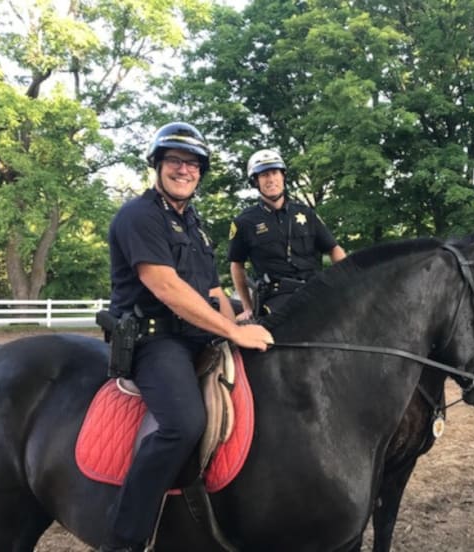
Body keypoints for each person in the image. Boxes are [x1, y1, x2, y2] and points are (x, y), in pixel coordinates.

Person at [100, 122, 274, 552]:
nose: (185, 170)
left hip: (199, 337)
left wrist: (241, 324)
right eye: (175, 161)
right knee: (183, 423)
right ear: (158, 165)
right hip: (155, 341)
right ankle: (125, 539)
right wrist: (231, 329)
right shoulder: (138, 216)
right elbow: (165, 287)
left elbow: (213, 291)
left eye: (193, 164)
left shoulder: (194, 224)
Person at [228, 149, 347, 319]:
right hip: (276, 298)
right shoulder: (244, 222)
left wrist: (350, 281)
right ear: (256, 181)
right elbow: (236, 265)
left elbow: (334, 249)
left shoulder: (306, 213)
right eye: (264, 175)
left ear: (283, 176)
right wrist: (247, 308)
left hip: (317, 289)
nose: (271, 179)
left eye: (275, 173)